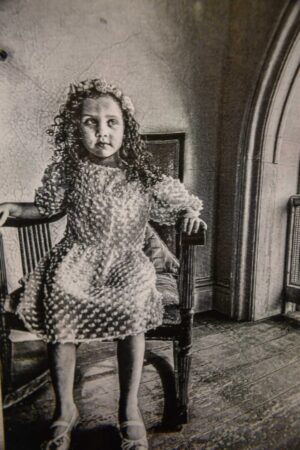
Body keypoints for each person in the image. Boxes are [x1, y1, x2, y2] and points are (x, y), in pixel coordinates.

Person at [0, 79, 207, 450]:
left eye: (111, 122)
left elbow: (182, 203)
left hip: (125, 259)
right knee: (59, 297)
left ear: (126, 128)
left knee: (132, 301)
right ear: (74, 128)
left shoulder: (142, 174)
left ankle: (129, 410)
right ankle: (65, 410)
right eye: (89, 123)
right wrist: (14, 208)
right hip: (78, 256)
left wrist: (191, 213)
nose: (101, 132)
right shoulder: (70, 169)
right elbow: (47, 209)